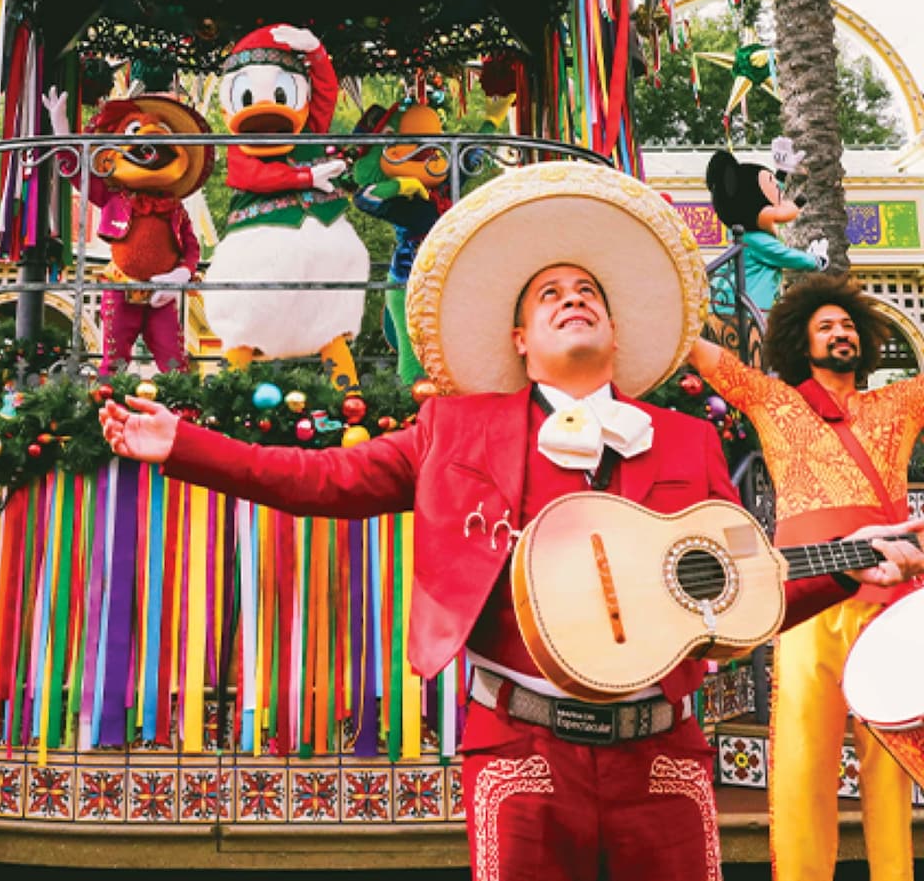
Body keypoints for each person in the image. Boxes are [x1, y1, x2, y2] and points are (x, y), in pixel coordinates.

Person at [99, 163, 920, 881]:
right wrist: (186, 446)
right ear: (521, 337)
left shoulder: (687, 436)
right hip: (523, 751)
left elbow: (738, 593)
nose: (574, 300)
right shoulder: (456, 429)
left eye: (588, 292)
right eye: (550, 295)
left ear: (615, 328)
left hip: (662, 757)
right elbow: (325, 478)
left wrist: (851, 563)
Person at [689, 274, 924, 881]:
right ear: (801, 340)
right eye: (826, 327)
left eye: (847, 325)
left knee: (889, 769)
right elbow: (701, 350)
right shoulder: (775, 401)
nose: (840, 333)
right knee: (801, 763)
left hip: (891, 602)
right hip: (805, 601)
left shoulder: (898, 403)